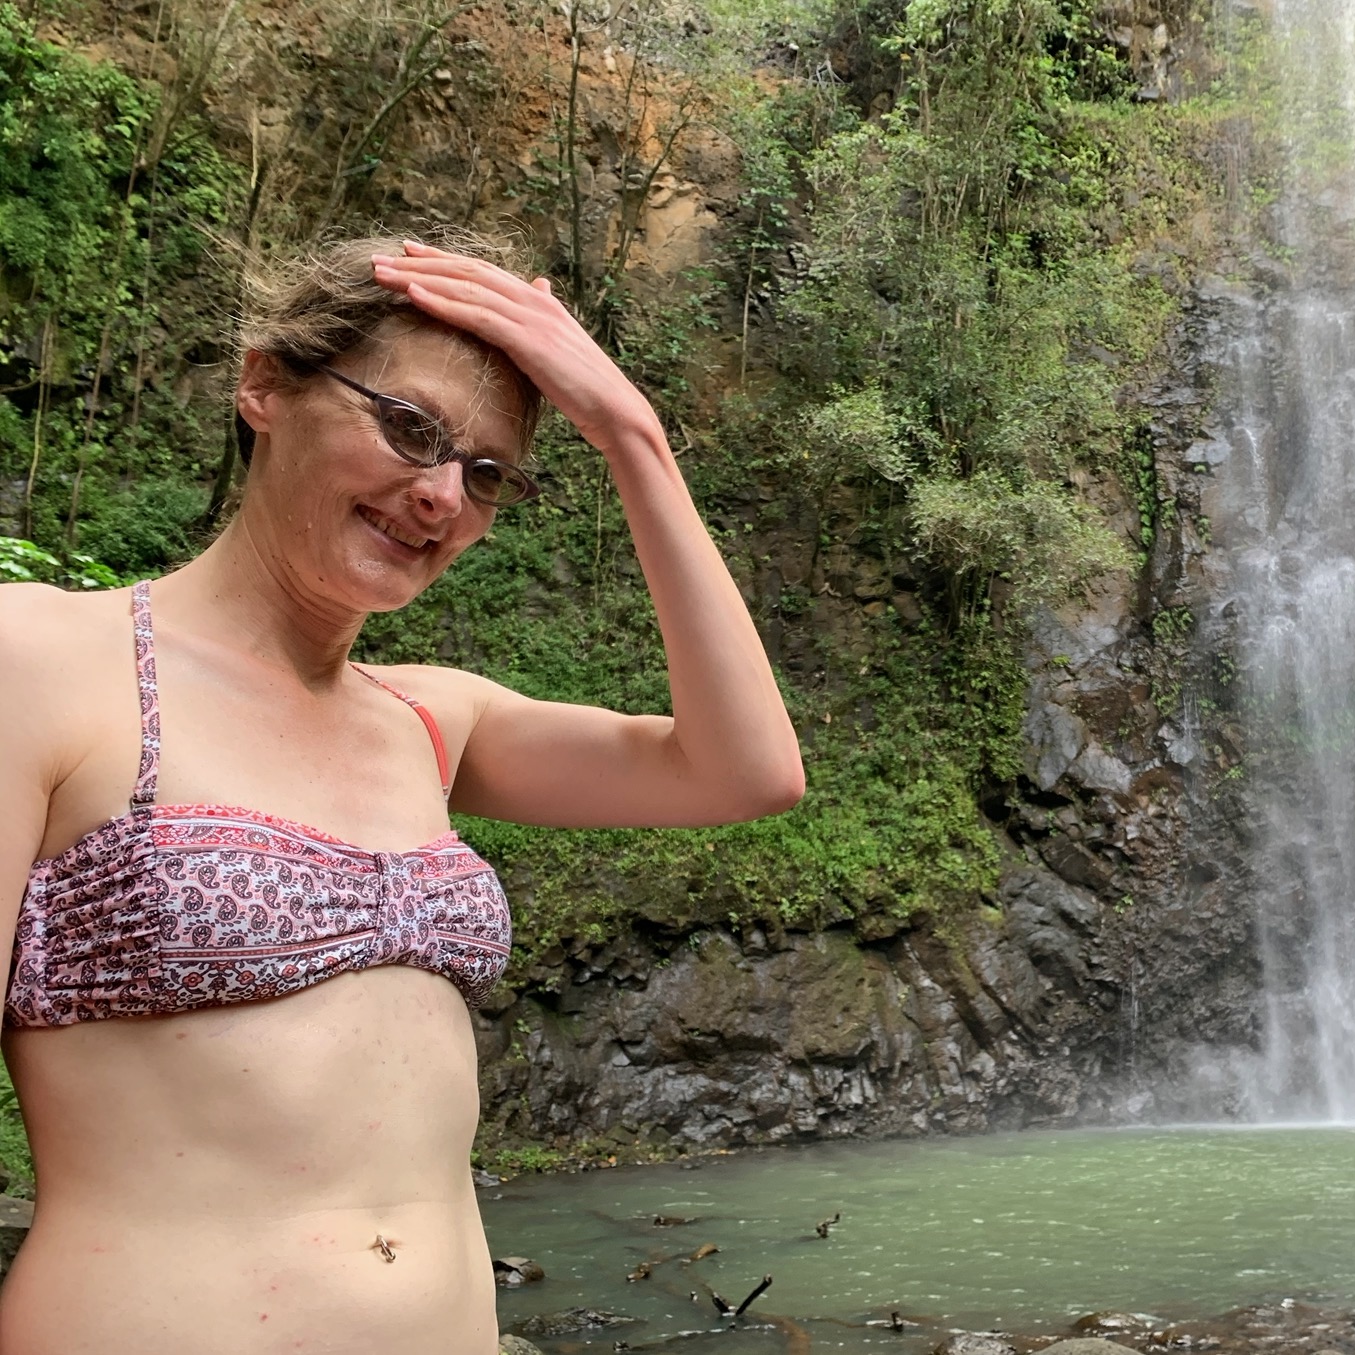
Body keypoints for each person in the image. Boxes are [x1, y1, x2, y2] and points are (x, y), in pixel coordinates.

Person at [0, 233, 805, 1354]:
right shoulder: (42, 657)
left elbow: (746, 769)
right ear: (265, 384)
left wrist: (634, 438)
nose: (438, 496)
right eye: (411, 428)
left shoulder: (431, 718)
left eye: (486, 474)